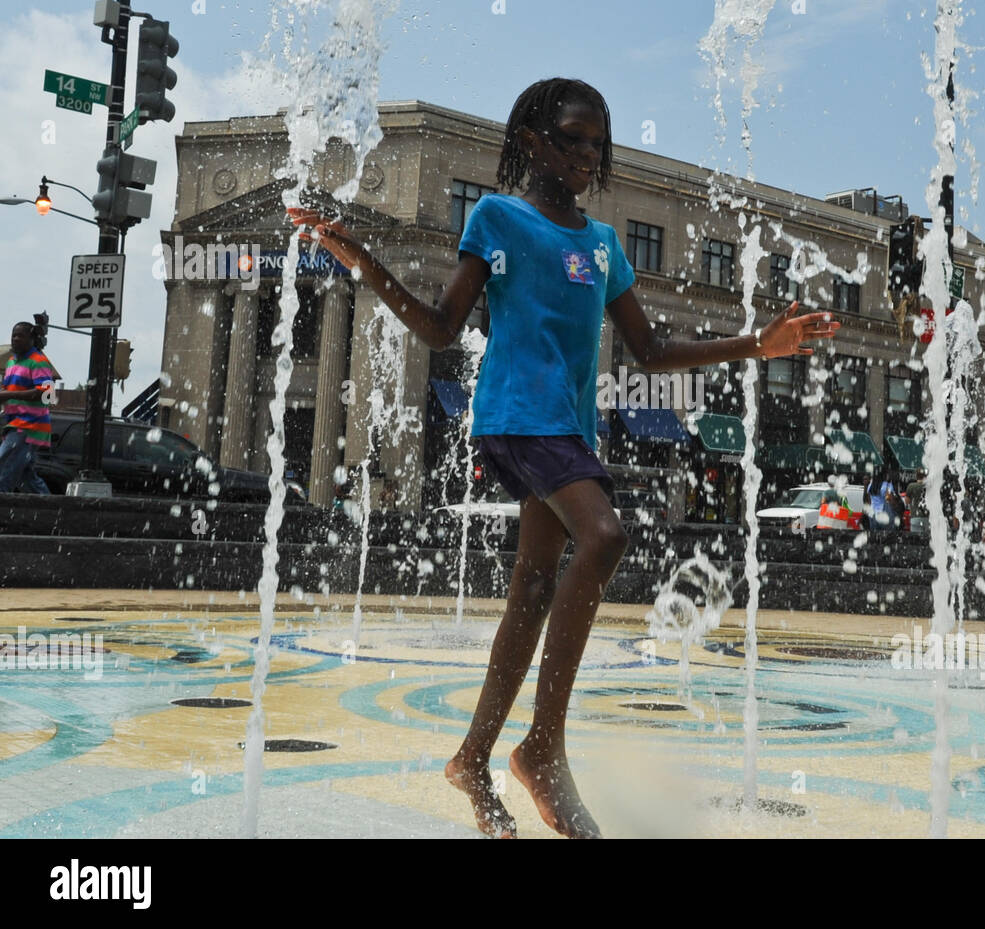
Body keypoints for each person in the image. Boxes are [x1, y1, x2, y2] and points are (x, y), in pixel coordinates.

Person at [288, 77, 840, 838]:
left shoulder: (603, 244)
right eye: (572, 138)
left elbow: (650, 349)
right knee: (605, 536)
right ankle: (543, 748)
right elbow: (443, 325)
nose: (587, 153)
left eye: (596, 142)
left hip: (570, 430)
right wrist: (362, 261)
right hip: (518, 417)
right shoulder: (497, 217)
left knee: (532, 587)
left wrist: (758, 342)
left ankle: (474, 757)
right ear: (531, 142)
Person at [0, 317, 54, 495]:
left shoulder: (38, 361)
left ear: (32, 339)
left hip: (30, 425)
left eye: (20, 336)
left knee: (4, 465)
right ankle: (52, 511)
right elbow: (6, 390)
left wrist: (8, 394)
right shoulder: (11, 363)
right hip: (14, 424)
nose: (15, 339)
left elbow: (48, 395)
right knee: (26, 477)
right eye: (13, 335)